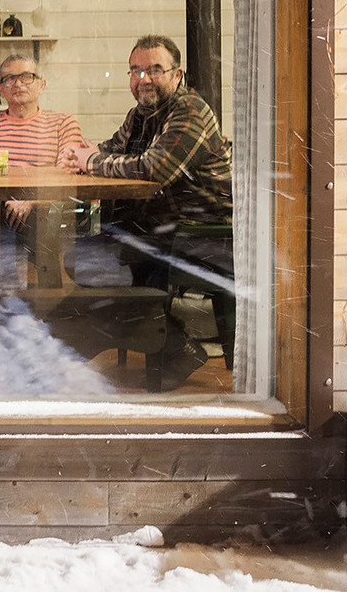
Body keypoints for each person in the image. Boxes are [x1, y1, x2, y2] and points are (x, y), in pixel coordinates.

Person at [58, 34, 233, 384]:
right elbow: (112, 148)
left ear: (177, 75)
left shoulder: (191, 112)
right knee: (82, 256)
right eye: (136, 70)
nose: (143, 79)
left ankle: (165, 347)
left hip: (203, 231)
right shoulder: (140, 114)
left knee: (108, 261)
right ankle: (170, 343)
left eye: (155, 69)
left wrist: (92, 160)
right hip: (155, 225)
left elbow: (154, 169)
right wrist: (81, 153)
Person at [0, 54, 85, 283]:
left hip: (41, 206)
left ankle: (37, 295)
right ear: (0, 89)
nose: (18, 84)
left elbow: (68, 176)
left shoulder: (63, 123)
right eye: (9, 79)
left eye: (27, 76)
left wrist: (30, 199)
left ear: (41, 85)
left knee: (40, 217)